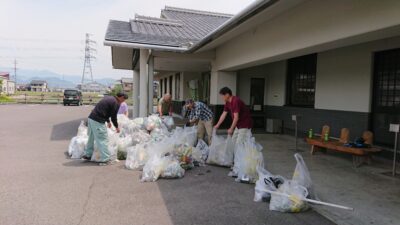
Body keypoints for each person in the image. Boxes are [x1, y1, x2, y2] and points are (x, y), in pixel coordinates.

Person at [82, 92, 128, 165]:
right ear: (121, 97)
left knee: (91, 137)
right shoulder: (116, 103)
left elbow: (105, 111)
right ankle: (105, 159)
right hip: (97, 121)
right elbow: (113, 117)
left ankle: (88, 154)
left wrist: (108, 121)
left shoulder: (109, 98)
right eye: (124, 99)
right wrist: (116, 127)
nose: (124, 101)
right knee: (103, 139)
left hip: (91, 118)